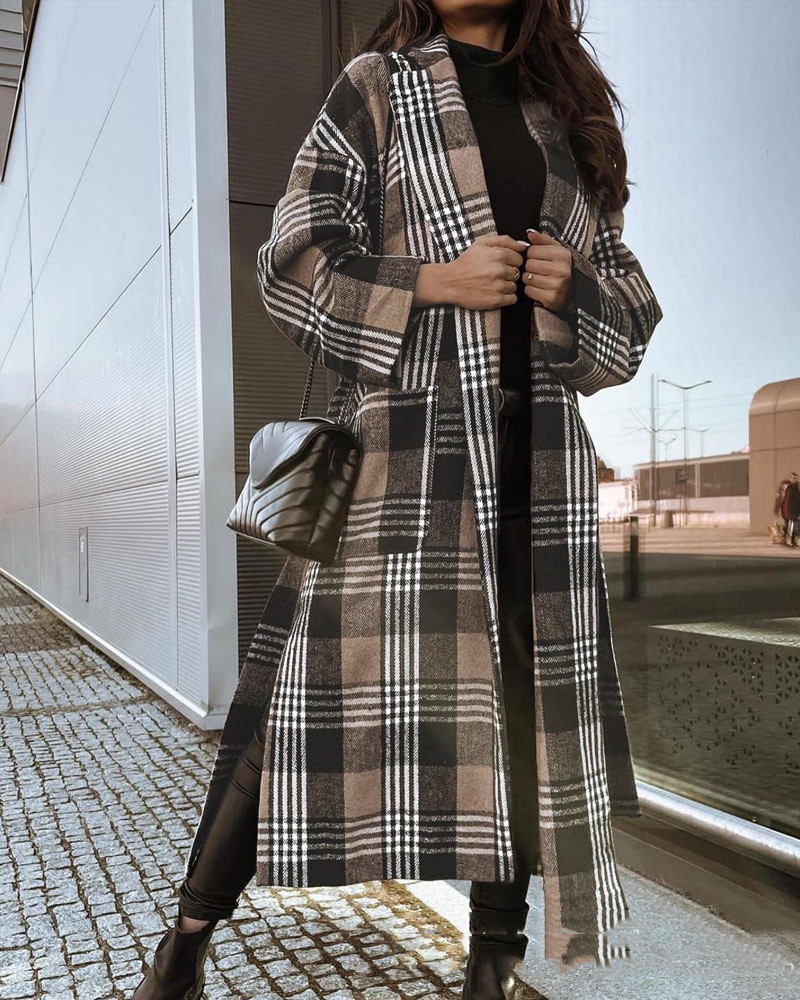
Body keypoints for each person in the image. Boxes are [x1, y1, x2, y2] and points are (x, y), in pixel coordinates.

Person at [132, 1, 663, 997]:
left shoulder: (564, 118)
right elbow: (291, 263)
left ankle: (492, 963)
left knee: (519, 718)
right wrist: (433, 281)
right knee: (292, 707)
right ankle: (187, 942)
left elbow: (631, 316)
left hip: (538, 471)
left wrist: (574, 289)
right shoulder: (377, 87)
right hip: (405, 464)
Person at [774, 471, 800, 547]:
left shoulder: (797, 487)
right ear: (790, 478)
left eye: (795, 478)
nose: (794, 479)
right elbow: (779, 497)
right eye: (793, 478)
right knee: (789, 525)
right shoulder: (785, 486)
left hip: (795, 510)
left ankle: (792, 541)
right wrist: (777, 508)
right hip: (787, 509)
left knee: (794, 526)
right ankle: (787, 540)